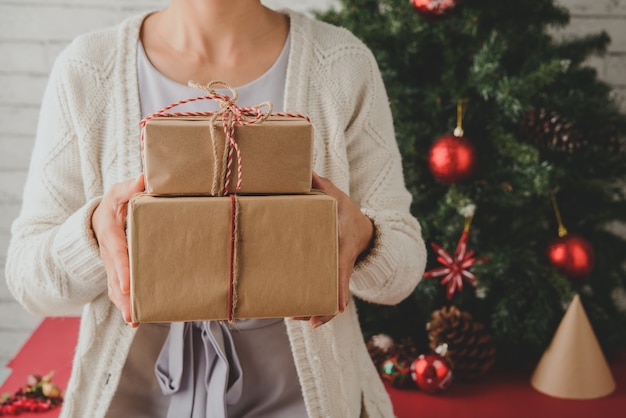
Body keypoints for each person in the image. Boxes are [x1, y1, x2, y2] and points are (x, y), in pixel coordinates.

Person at [5, 1, 427, 417]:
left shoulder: (341, 64)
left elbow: (402, 270)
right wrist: (93, 235)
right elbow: (27, 279)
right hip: (133, 403)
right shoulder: (89, 68)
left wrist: (366, 239)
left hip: (304, 402)